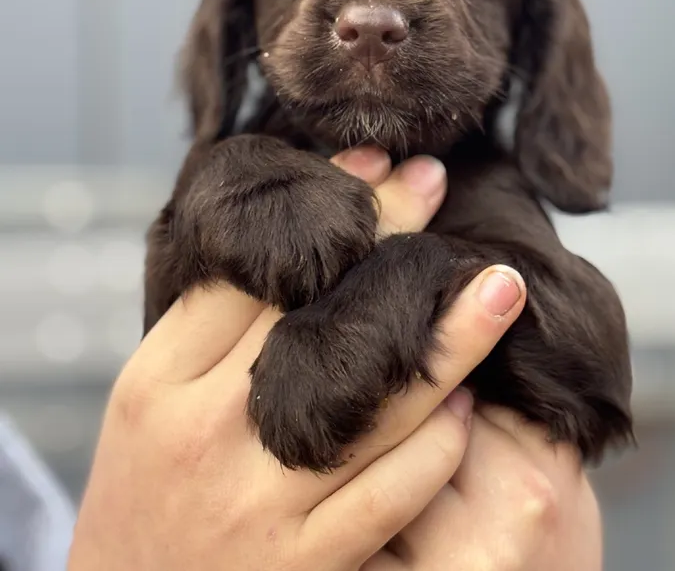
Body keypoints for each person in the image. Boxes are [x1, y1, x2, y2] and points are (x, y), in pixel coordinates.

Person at [68, 147, 602, 570]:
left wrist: (414, 277)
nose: (369, 12)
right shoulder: (228, 169)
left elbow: (592, 367)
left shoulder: (489, 179)